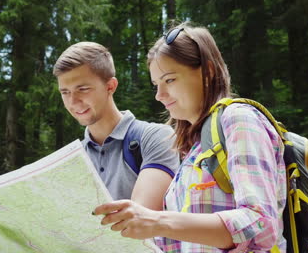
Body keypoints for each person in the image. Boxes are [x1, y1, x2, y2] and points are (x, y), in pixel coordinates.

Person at [0, 41, 180, 251]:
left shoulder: (155, 137)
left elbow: (138, 222)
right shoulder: (72, 160)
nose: (73, 102)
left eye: (82, 89)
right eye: (65, 92)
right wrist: (2, 238)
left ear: (110, 86)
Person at [93, 24, 287, 252]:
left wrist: (157, 221)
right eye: (157, 84)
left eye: (170, 80)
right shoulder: (192, 150)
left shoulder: (238, 118)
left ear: (209, 72)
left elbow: (260, 224)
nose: (159, 95)